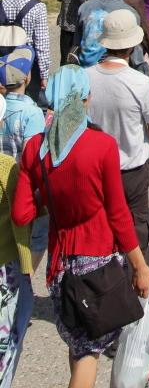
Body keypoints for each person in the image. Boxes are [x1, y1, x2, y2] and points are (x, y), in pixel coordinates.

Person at [12, 67, 149, 386]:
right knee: (87, 354)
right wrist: (140, 266)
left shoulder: (34, 149)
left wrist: (48, 199)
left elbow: (22, 214)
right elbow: (119, 215)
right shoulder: (102, 146)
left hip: (59, 266)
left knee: (78, 345)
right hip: (98, 266)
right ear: (85, 99)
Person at [87, 11, 149, 252]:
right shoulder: (141, 83)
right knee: (134, 227)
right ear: (133, 44)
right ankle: (133, 276)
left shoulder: (85, 78)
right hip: (130, 171)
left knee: (97, 228)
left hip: (93, 170)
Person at [0, 48, 48, 274]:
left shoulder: (2, 107)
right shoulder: (32, 113)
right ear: (27, 78)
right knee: (36, 235)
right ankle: (24, 277)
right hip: (21, 186)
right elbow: (33, 154)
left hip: (1, 181)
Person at [0, 93, 33, 387]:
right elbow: (19, 220)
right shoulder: (5, 166)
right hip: (4, 264)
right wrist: (26, 264)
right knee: (5, 336)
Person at [1, 0, 50, 102]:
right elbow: (42, 45)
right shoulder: (37, 7)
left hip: (3, 69)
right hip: (29, 69)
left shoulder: (0, 5)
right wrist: (44, 75)